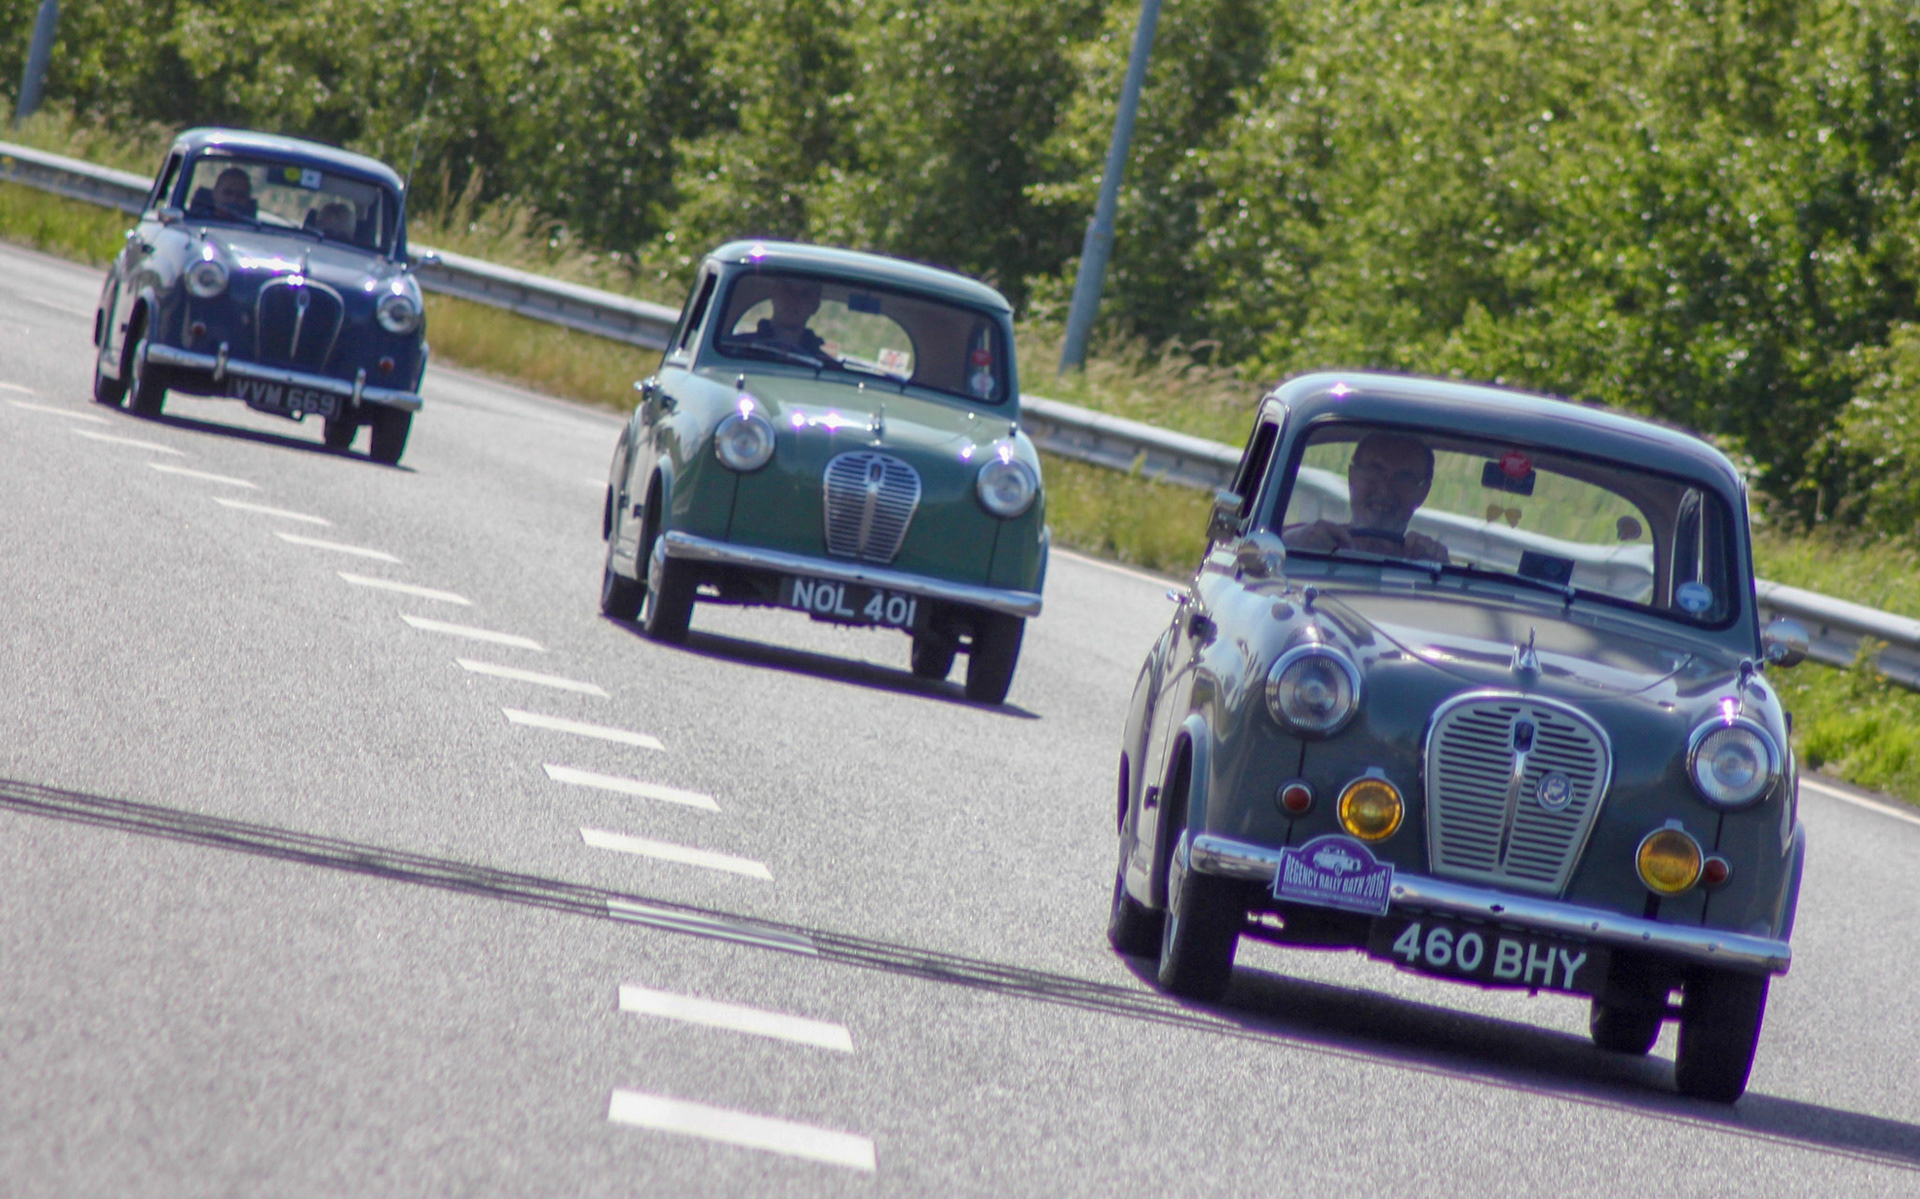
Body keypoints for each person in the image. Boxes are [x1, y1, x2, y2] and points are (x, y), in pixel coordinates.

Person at [1284, 430, 1451, 563]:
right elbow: (1261, 549)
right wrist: (1295, 544)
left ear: (1422, 493)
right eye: (1374, 472)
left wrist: (1440, 569)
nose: (1385, 490)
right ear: (1352, 477)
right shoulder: (1311, 541)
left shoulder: (1426, 563)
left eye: (1403, 479)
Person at [750, 276, 827, 355]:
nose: (794, 300)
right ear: (773, 295)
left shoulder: (825, 365)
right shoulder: (741, 349)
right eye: (787, 290)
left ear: (815, 306)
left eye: (805, 294)